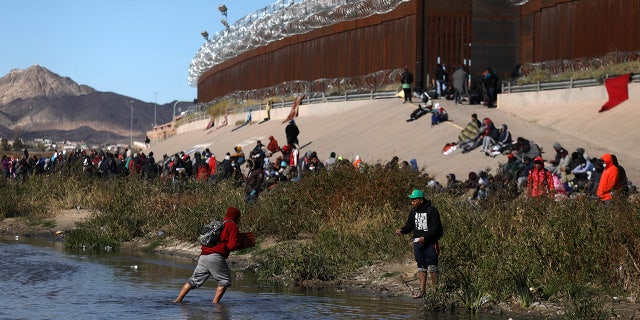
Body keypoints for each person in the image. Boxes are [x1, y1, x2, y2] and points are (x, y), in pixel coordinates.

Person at [173, 206, 242, 304]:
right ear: (236, 217)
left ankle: (178, 300)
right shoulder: (232, 226)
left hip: (204, 255)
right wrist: (242, 243)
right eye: (239, 217)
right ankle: (215, 304)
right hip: (215, 256)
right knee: (224, 281)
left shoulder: (220, 224)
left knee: (194, 280)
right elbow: (232, 245)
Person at [395, 189, 444, 298]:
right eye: (411, 200)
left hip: (431, 243)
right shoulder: (413, 211)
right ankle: (422, 292)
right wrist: (402, 230)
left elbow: (436, 228)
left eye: (414, 200)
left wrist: (425, 237)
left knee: (433, 267)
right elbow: (409, 225)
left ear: (421, 200)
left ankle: (436, 292)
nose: (412, 202)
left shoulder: (432, 211)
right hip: (418, 243)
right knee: (421, 266)